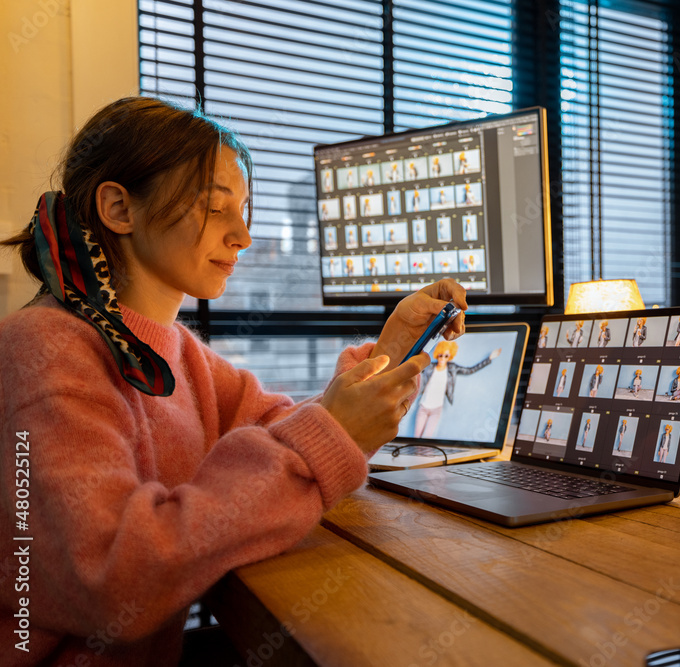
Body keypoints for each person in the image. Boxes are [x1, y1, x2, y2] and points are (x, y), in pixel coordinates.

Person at [0, 97, 468, 667]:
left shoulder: (178, 353)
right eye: (216, 208)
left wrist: (393, 350)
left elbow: (288, 431)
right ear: (119, 208)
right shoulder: (44, 348)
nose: (243, 236)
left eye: (244, 209)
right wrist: (330, 433)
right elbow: (113, 578)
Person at [413, 340, 500, 438]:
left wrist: (489, 359)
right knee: (416, 437)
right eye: (440, 355)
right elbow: (415, 367)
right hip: (423, 407)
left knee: (426, 438)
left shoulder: (452, 368)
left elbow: (470, 370)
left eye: (446, 356)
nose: (442, 358)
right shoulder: (429, 367)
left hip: (437, 409)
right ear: (437, 355)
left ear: (450, 356)